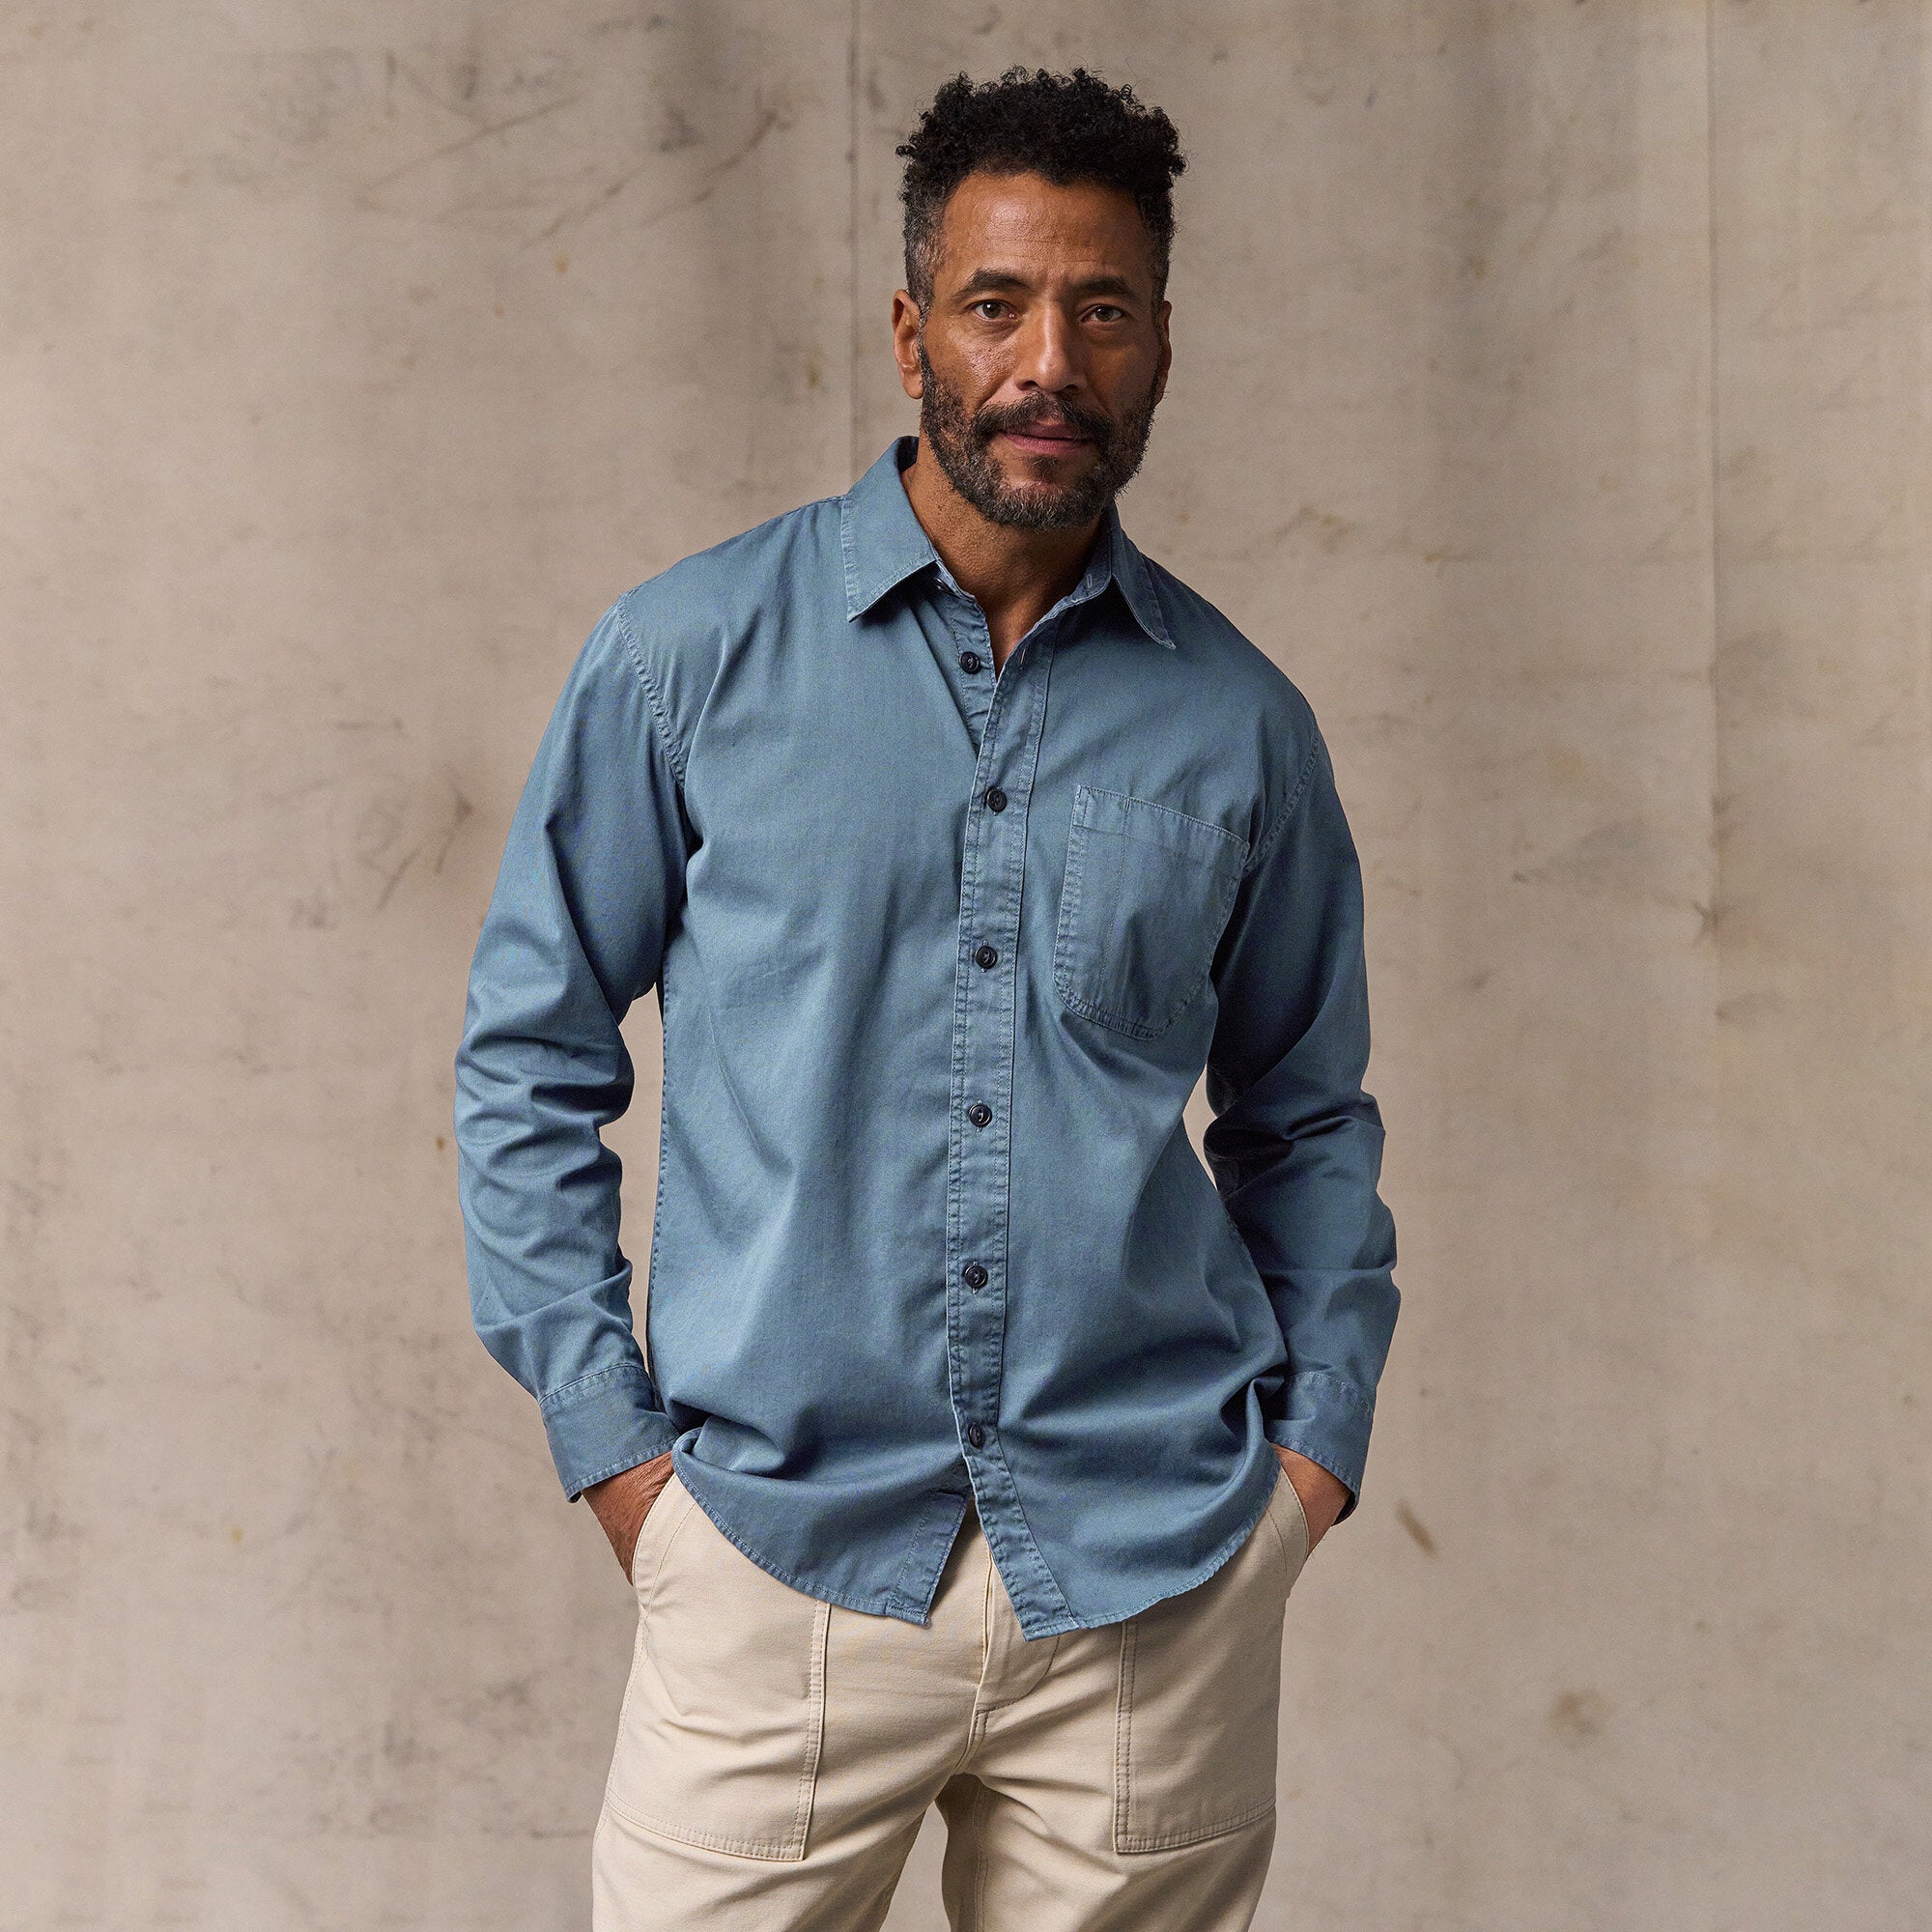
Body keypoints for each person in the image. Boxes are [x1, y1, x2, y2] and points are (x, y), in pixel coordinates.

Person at [454, 65, 1399, 1932]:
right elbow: (529, 1059)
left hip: (1151, 1582)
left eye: (1102, 312)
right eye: (997, 305)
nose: (1050, 362)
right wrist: (622, 1466)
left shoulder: (1242, 727)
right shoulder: (684, 661)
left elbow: (1305, 1117)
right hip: (774, 1560)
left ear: (1160, 347)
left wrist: (1311, 1466)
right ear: (913, 336)